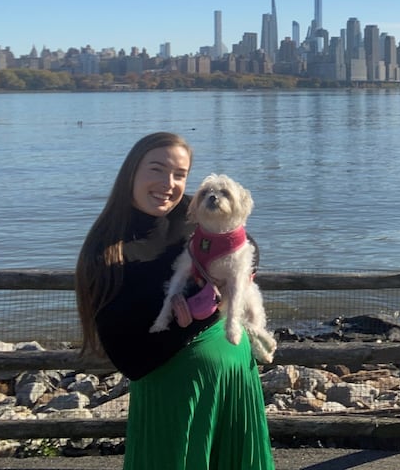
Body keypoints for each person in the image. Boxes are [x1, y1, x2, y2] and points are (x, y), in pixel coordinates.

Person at [75, 132, 274, 470]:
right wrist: (198, 315)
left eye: (179, 174)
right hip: (176, 396)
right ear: (131, 173)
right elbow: (130, 359)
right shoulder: (106, 252)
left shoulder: (193, 212)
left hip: (235, 378)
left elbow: (247, 244)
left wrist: (231, 281)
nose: (168, 184)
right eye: (157, 169)